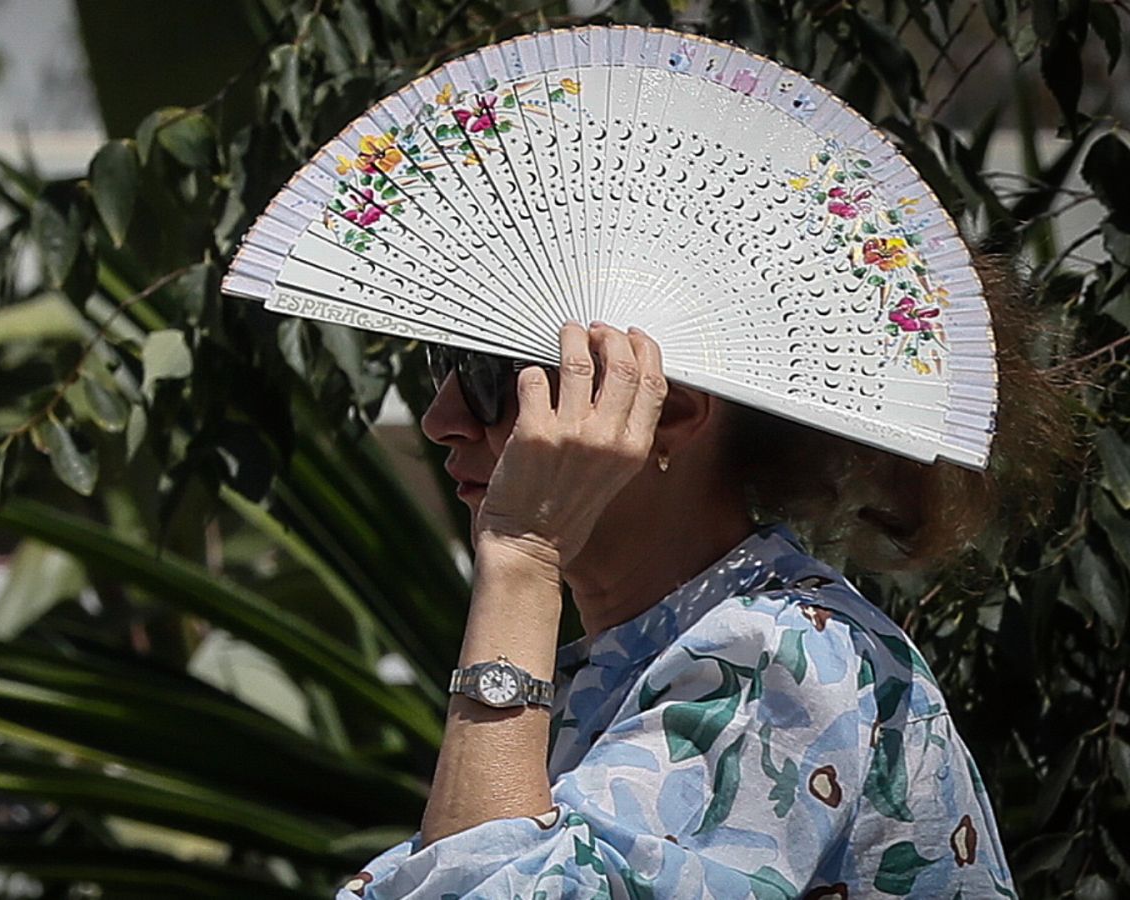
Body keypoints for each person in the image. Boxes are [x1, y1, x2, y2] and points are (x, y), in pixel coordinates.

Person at [336, 256, 1068, 898]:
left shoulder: (780, 656)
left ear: (672, 413)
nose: (442, 418)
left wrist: (523, 556)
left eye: (494, 375)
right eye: (444, 363)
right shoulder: (650, 660)